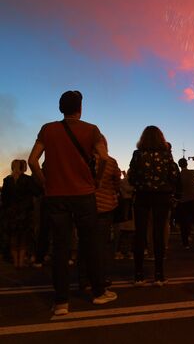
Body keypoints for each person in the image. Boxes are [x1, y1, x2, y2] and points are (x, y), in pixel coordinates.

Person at [28, 90, 117, 315]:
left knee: (60, 247)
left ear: (60, 108)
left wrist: (45, 183)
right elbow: (104, 158)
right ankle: (98, 293)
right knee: (91, 244)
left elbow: (32, 160)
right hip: (84, 194)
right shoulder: (91, 130)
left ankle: (61, 302)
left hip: (56, 196)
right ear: (80, 108)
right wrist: (96, 180)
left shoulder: (48, 129)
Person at [128, 126, 179, 286]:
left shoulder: (138, 154)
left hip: (142, 196)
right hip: (162, 196)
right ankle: (159, 274)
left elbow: (132, 176)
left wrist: (140, 185)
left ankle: (138, 274)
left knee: (140, 234)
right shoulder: (166, 155)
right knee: (158, 234)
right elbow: (173, 175)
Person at [79, 135, 121, 288]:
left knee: (84, 243)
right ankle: (100, 278)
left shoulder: (81, 160)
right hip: (105, 207)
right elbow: (117, 182)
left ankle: (83, 279)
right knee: (102, 245)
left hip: (84, 206)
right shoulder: (110, 162)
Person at [1, 160, 41, 268]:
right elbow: (37, 192)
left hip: (12, 213)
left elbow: (4, 199)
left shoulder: (7, 181)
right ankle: (21, 261)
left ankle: (15, 262)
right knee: (23, 238)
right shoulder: (27, 180)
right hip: (25, 212)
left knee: (13, 237)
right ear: (22, 167)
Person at [175, 156, 194, 248]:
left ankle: (185, 243)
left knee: (184, 223)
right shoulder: (191, 172)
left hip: (183, 201)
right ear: (187, 164)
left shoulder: (178, 175)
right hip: (192, 199)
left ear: (179, 165)